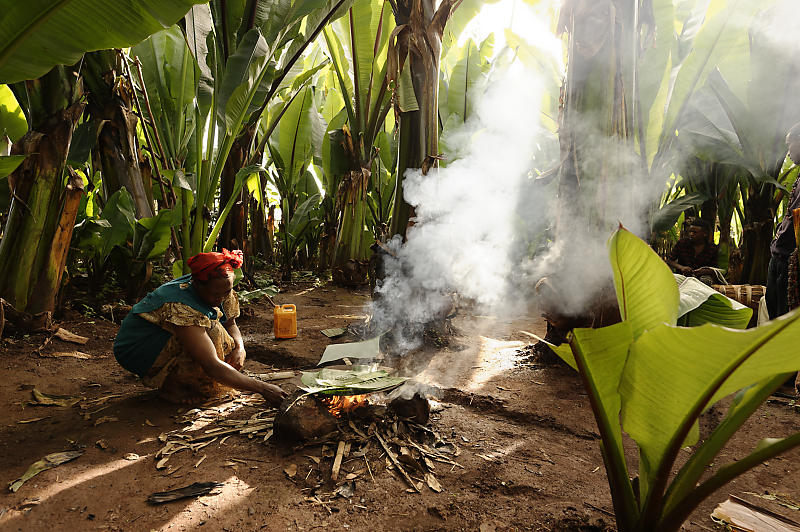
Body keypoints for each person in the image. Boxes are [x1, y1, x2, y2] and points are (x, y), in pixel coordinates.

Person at [113, 249, 287, 405]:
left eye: (226, 292)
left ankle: (190, 381)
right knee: (213, 330)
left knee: (221, 334)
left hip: (164, 338)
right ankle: (175, 386)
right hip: (139, 349)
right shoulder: (181, 305)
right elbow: (211, 364)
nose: (221, 298)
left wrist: (240, 348)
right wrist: (264, 389)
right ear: (196, 284)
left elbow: (230, 322)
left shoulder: (223, 287)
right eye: (215, 294)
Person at [766, 123, 800, 320]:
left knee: (783, 319)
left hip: (789, 260)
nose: (787, 153)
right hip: (781, 258)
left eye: (790, 145)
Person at [665, 218, 719, 283]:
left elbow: (716, 269)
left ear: (705, 234)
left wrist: (704, 271)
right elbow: (669, 260)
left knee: (705, 280)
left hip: (702, 279)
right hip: (682, 277)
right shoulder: (682, 243)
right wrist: (682, 268)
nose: (691, 234)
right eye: (690, 231)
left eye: (695, 232)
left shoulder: (712, 248)